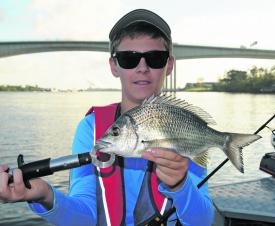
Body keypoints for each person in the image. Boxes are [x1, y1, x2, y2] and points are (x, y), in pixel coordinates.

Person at [0, 9, 214, 226]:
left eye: (155, 58)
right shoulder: (90, 129)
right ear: (114, 65)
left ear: (168, 65)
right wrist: (45, 195)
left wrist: (180, 186)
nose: (142, 68)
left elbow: (203, 221)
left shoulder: (183, 125)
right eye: (129, 58)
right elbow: (84, 218)